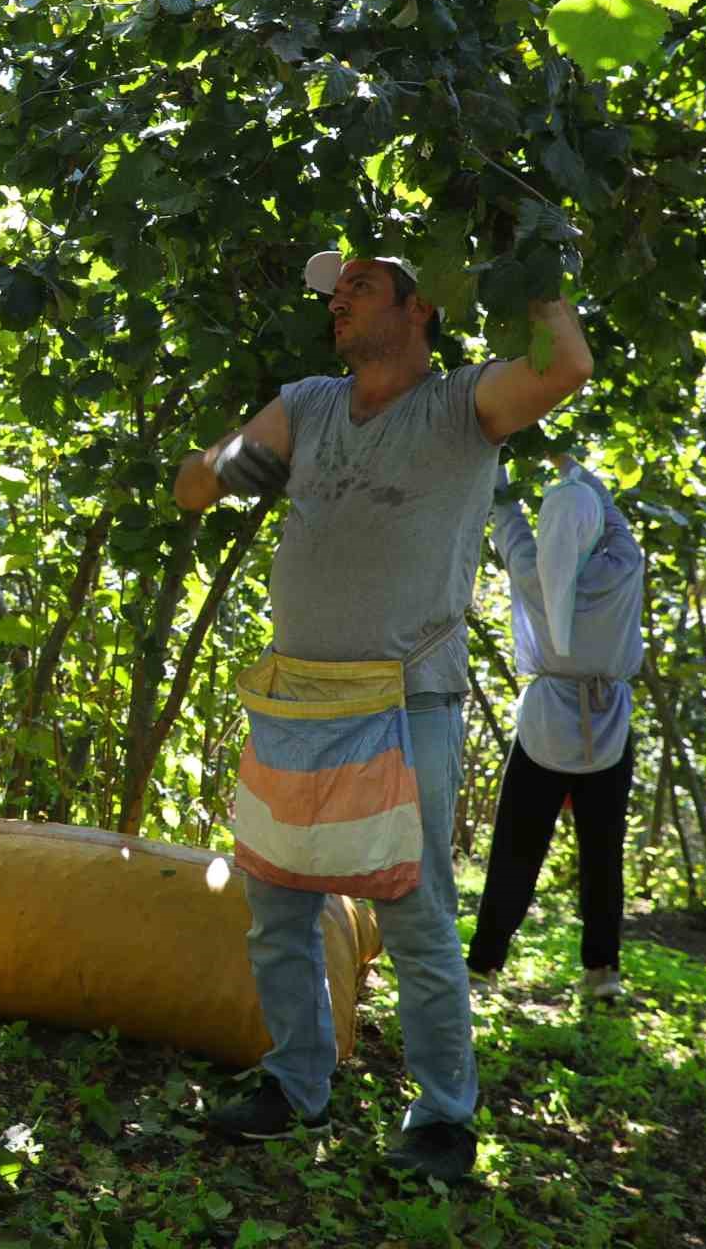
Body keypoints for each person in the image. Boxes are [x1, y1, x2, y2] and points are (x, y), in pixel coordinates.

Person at [173, 251, 593, 1183]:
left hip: (405, 702)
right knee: (277, 902)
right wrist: (219, 467)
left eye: (362, 285)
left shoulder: (461, 404)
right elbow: (194, 485)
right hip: (295, 699)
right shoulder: (312, 401)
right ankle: (294, 1089)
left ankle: (443, 1120)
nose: (340, 301)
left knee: (413, 913)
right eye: (335, 289)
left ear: (420, 305)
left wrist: (527, 255)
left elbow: (564, 367)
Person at [467, 452, 643, 1001]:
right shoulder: (622, 567)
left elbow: (503, 512)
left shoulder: (529, 568)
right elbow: (611, 518)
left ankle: (483, 964)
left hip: (546, 725)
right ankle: (602, 972)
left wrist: (494, 450)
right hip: (608, 723)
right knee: (602, 853)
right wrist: (574, 471)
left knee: (516, 850)